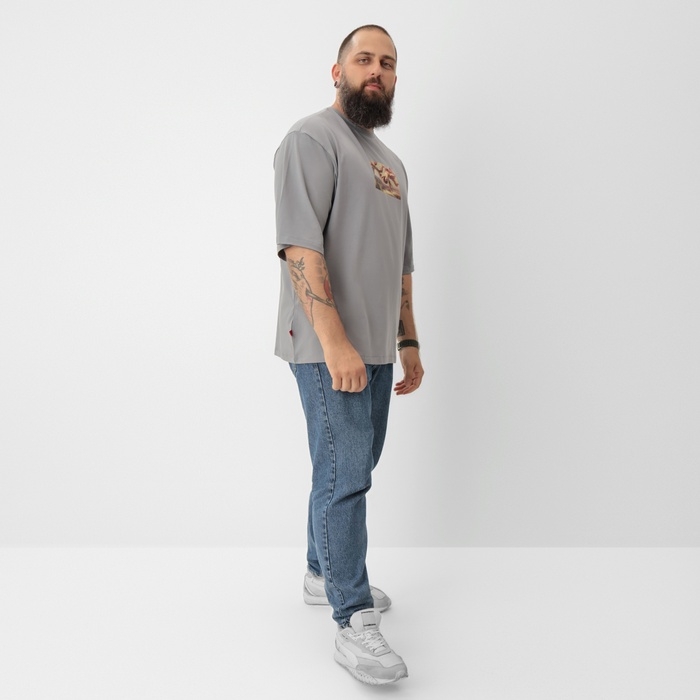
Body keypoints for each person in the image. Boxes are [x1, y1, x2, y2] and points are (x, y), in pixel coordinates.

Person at [273, 24, 424, 686]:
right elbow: (299, 247)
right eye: (364, 59)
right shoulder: (312, 138)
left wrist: (408, 340)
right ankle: (352, 616)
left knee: (346, 466)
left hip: (376, 345)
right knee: (347, 475)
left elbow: (402, 263)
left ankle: (320, 569)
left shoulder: (391, 162)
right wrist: (335, 344)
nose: (376, 70)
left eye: (387, 62)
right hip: (326, 344)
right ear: (338, 72)